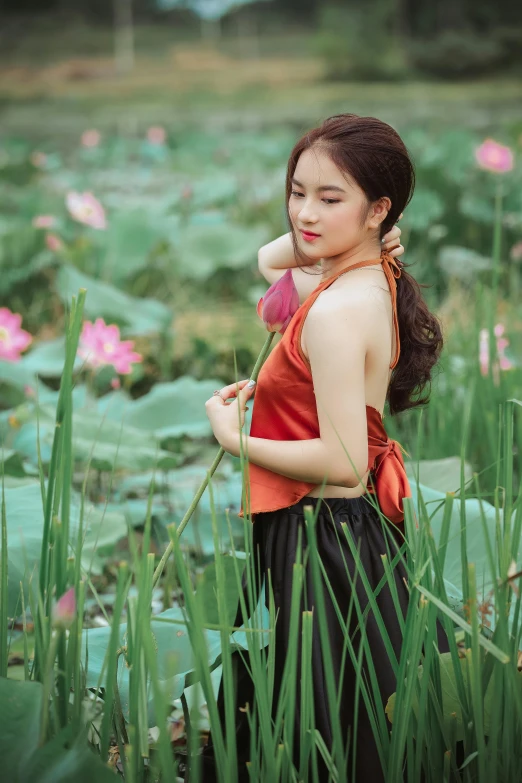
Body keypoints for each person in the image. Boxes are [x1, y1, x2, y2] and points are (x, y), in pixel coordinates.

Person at [198, 114, 449, 782]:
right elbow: (269, 259)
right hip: (349, 534)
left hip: (322, 543)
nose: (305, 213)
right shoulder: (373, 277)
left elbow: (344, 461)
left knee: (320, 733)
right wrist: (360, 226)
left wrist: (235, 437)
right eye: (297, 191)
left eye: (329, 198)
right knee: (339, 719)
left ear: (379, 207)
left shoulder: (337, 311)